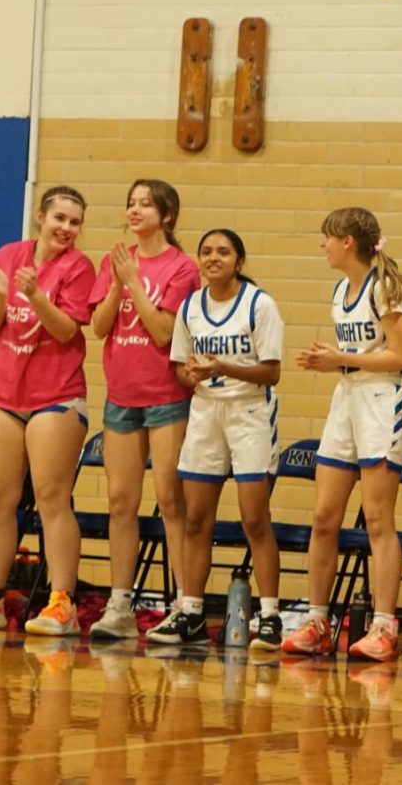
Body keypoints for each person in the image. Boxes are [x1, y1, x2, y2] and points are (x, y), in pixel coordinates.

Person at [0, 185, 95, 636]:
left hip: (56, 394)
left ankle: (61, 602)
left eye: (75, 222)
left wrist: (34, 296)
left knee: (52, 498)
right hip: (4, 394)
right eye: (60, 219)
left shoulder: (79, 267)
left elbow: (67, 329)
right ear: (40, 217)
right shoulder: (10, 254)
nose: (67, 228)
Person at [282, 207, 402, 661]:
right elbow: (355, 355)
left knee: (377, 519)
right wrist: (333, 360)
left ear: (347, 242)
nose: (323, 245)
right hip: (348, 398)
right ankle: (318, 618)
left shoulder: (384, 288)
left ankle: (383, 624)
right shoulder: (341, 290)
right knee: (324, 516)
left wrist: (343, 357)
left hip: (382, 401)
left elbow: (401, 355)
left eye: (327, 238)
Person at [148, 229, 284, 650]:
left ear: (238, 261)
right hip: (206, 411)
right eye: (206, 251)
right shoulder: (190, 306)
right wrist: (189, 375)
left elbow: (271, 372)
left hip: (248, 411)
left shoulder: (259, 305)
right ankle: (189, 611)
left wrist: (223, 365)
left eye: (223, 252)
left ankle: (270, 615)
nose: (213, 258)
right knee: (194, 518)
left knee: (254, 519)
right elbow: (179, 368)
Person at [86, 179, 200, 640]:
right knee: (120, 502)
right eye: (130, 203)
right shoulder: (114, 261)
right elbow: (98, 327)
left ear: (167, 215)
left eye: (145, 204)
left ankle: (182, 604)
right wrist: (117, 284)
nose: (134, 211)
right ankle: (119, 604)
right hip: (122, 395)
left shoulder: (181, 267)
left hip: (166, 397)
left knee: (172, 501)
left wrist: (134, 280)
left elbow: (161, 332)